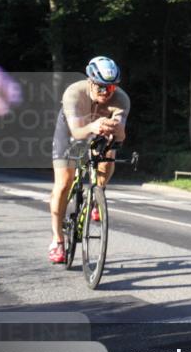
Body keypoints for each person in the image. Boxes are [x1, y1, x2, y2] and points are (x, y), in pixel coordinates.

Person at [48, 57, 130, 264]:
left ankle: (96, 195)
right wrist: (92, 127)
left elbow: (120, 136)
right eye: (101, 87)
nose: (106, 92)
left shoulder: (121, 99)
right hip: (71, 130)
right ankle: (57, 240)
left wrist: (117, 131)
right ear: (91, 82)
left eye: (111, 87)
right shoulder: (74, 92)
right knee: (64, 183)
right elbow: (76, 131)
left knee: (109, 155)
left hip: (99, 130)